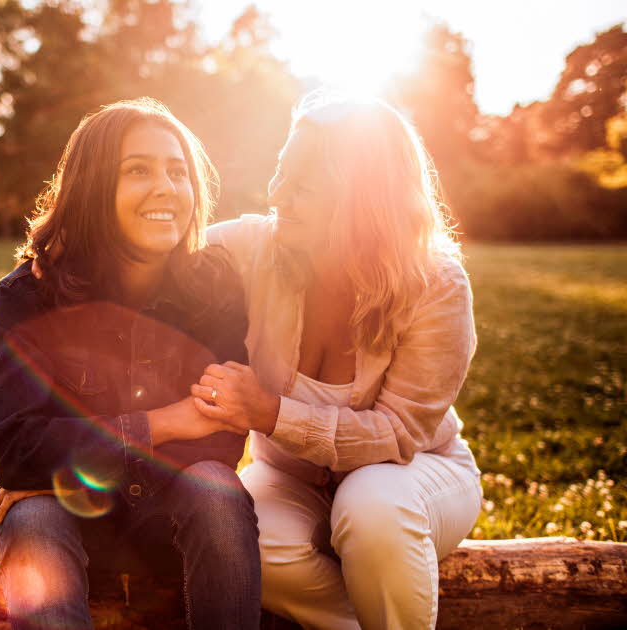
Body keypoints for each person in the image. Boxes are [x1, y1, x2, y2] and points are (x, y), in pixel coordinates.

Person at [189, 93, 483, 629]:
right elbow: (158, 251)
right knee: (238, 528)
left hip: (415, 472)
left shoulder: (435, 283)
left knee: (372, 508)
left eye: (304, 184)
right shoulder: (255, 247)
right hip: (292, 481)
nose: (279, 194)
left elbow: (398, 434)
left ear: (363, 200)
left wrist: (271, 413)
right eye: (281, 172)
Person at [0, 98, 261, 630]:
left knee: (215, 490)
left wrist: (65, 462)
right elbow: (14, 449)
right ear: (91, 185)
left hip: (172, 526)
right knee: (34, 515)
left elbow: (219, 439)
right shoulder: (28, 296)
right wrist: (163, 423)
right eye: (138, 169)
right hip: (64, 524)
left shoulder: (213, 287)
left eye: (178, 172)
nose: (166, 187)